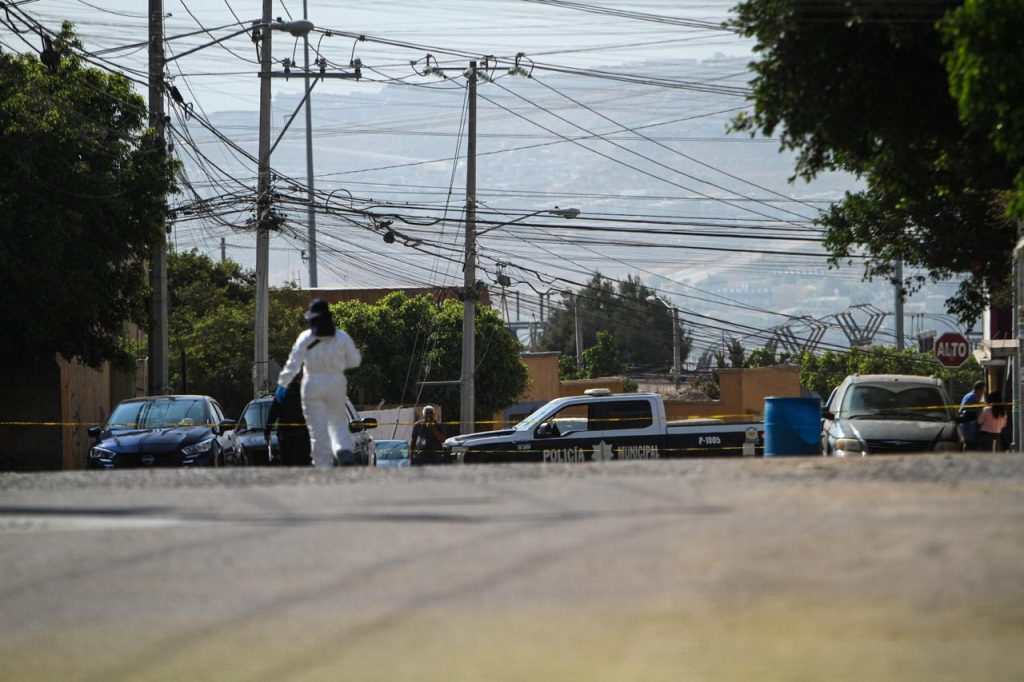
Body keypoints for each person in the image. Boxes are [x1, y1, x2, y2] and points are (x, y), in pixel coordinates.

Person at [277, 299, 362, 469]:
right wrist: (337, 365)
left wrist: (282, 384)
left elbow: (293, 365)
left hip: (312, 384)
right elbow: (355, 361)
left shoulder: (305, 337)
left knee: (317, 428)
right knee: (337, 421)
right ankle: (343, 449)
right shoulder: (341, 336)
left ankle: (323, 465)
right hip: (335, 382)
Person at [265, 372, 311, 466]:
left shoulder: (281, 391)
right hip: (303, 437)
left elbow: (273, 412)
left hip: (285, 437)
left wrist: (268, 429)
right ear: (301, 378)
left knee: (288, 465)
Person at [958, 380, 986, 450]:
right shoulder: (971, 396)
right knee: (970, 446)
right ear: (979, 389)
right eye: (983, 390)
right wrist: (978, 406)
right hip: (969, 427)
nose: (983, 392)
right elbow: (963, 409)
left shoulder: (976, 396)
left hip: (973, 428)